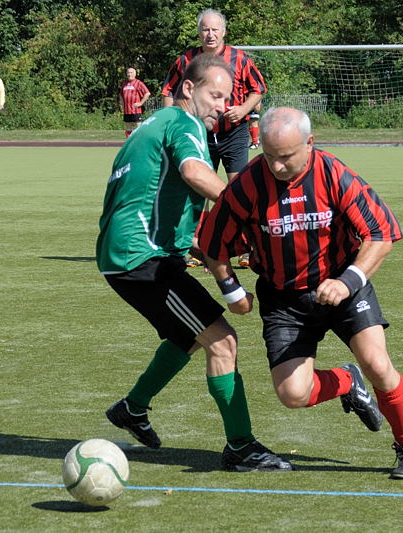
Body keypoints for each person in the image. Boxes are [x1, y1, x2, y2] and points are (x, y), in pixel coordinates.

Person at [198, 107, 403, 480]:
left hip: (344, 285)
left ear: (310, 142)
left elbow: (380, 234)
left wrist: (347, 282)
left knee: (378, 364)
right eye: (269, 156)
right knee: (293, 394)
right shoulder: (247, 185)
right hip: (283, 300)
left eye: (286, 157)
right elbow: (212, 244)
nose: (276, 166)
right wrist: (232, 292)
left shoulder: (333, 173)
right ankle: (345, 381)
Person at [97, 53, 291, 473]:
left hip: (133, 253)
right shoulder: (184, 124)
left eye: (227, 97)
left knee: (187, 336)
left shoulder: (156, 123)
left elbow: (160, 197)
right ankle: (241, 446)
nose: (223, 105)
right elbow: (193, 172)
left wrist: (211, 249)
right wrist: (246, 213)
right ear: (189, 89)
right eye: (215, 95)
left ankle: (133, 408)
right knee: (223, 341)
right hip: (142, 258)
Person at [161, 8, 264, 268]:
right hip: (199, 134)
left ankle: (245, 247)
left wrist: (243, 109)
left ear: (223, 32)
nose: (210, 34)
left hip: (234, 133)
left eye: (215, 29)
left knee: (237, 188)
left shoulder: (239, 58)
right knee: (198, 191)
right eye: (205, 29)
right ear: (198, 32)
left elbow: (258, 89)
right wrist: (170, 121)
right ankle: (197, 246)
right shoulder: (186, 60)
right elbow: (168, 91)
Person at [118, 67, 150, 138]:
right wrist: (122, 104)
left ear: (135, 74)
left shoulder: (138, 83)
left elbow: (147, 93)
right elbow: (120, 95)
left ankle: (141, 141)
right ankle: (129, 142)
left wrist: (141, 103)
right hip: (127, 110)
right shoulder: (124, 84)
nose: (129, 74)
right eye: (128, 73)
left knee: (139, 127)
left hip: (136, 110)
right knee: (128, 128)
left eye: (131, 72)